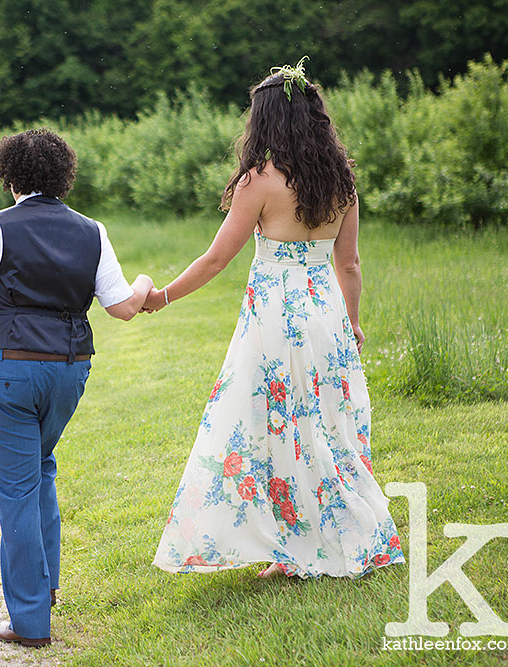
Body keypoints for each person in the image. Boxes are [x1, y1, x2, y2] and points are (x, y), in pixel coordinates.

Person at [145, 59, 405, 579]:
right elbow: (348, 263)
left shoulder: (259, 181)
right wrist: (351, 323)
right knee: (325, 425)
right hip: (325, 314)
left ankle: (297, 550)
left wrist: (163, 297)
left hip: (275, 316)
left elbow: (217, 259)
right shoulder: (342, 180)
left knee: (277, 425)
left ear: (264, 121)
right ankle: (334, 533)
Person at [0, 128, 152, 646]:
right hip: (68, 371)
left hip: (8, 371)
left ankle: (30, 622)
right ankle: (46, 587)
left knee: (15, 488)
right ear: (63, 176)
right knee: (38, 468)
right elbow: (124, 306)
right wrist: (148, 286)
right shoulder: (93, 231)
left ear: (10, 176)